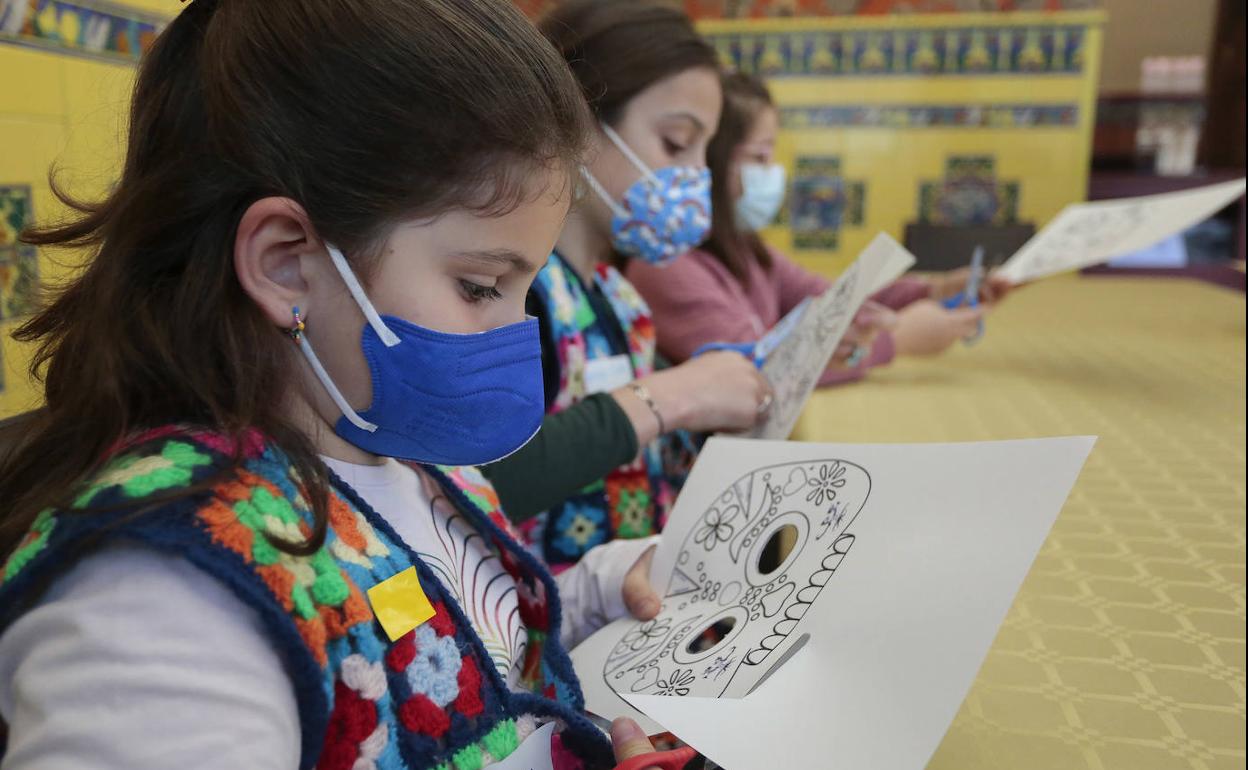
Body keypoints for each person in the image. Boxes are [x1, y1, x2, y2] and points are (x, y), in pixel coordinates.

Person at [0, 2, 669, 768]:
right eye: (482, 286)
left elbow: (461, 651)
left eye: (529, 290)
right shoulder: (170, 590)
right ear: (287, 264)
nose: (518, 337)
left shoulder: (406, 458)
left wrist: (597, 592)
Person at [481, 0, 772, 570]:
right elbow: (479, 488)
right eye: (674, 142)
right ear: (579, 120)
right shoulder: (513, 294)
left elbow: (634, 465)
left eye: (703, 153)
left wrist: (713, 413)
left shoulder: (620, 296)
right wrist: (676, 395)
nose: (693, 177)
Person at [627, 71, 1013, 383]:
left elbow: (834, 300)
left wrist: (935, 290)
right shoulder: (667, 266)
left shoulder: (745, 250)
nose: (774, 171)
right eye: (761, 155)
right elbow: (757, 373)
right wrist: (898, 340)